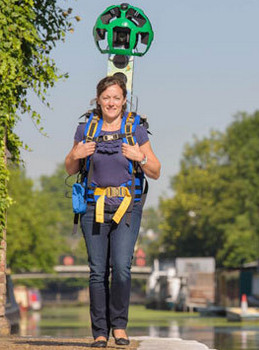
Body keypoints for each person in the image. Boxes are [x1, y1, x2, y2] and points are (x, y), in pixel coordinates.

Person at [65, 76, 161, 348]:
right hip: (93, 207)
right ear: (98, 99)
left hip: (127, 208)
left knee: (121, 268)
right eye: (106, 97)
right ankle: (99, 332)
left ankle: (119, 326)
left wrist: (139, 157)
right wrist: (77, 153)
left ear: (123, 100)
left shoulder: (136, 131)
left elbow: (155, 171)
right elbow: (70, 168)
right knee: (97, 271)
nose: (111, 102)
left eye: (116, 98)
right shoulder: (86, 129)